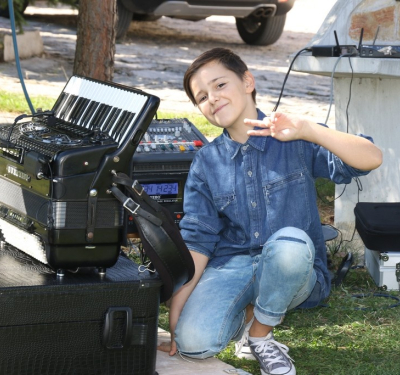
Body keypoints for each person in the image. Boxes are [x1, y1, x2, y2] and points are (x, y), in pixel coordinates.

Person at [158, 47, 382, 375]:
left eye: (220, 85)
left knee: (289, 243)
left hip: (295, 267)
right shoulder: (206, 162)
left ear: (248, 81)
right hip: (233, 267)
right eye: (202, 97)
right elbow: (198, 239)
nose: (213, 99)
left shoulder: (293, 135)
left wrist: (309, 130)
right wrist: (176, 313)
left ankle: (260, 336)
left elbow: (371, 158)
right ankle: (248, 312)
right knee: (193, 342)